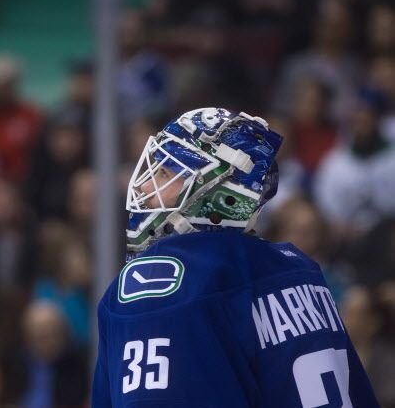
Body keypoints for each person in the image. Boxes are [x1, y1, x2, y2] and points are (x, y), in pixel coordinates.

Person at [92, 107, 379, 407]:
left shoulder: (163, 284)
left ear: (217, 193)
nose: (143, 186)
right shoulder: (301, 269)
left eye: (164, 172)